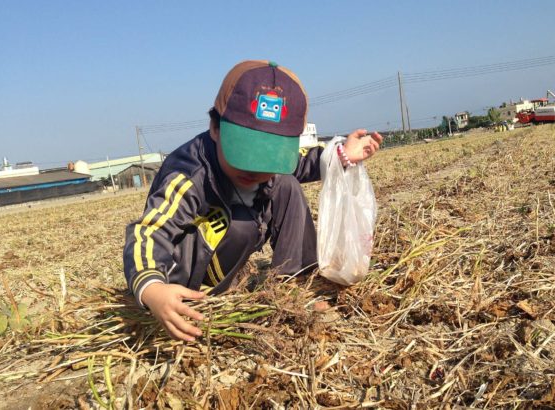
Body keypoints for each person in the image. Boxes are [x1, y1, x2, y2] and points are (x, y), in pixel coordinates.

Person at [123, 60, 382, 341]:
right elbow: (148, 231)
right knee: (243, 223)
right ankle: (203, 292)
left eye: (268, 157)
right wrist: (152, 289)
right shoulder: (190, 173)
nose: (256, 170)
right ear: (215, 128)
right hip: (187, 278)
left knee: (285, 183)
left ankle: (294, 280)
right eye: (246, 155)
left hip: (229, 250)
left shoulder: (270, 169)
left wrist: (341, 154)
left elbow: (298, 166)